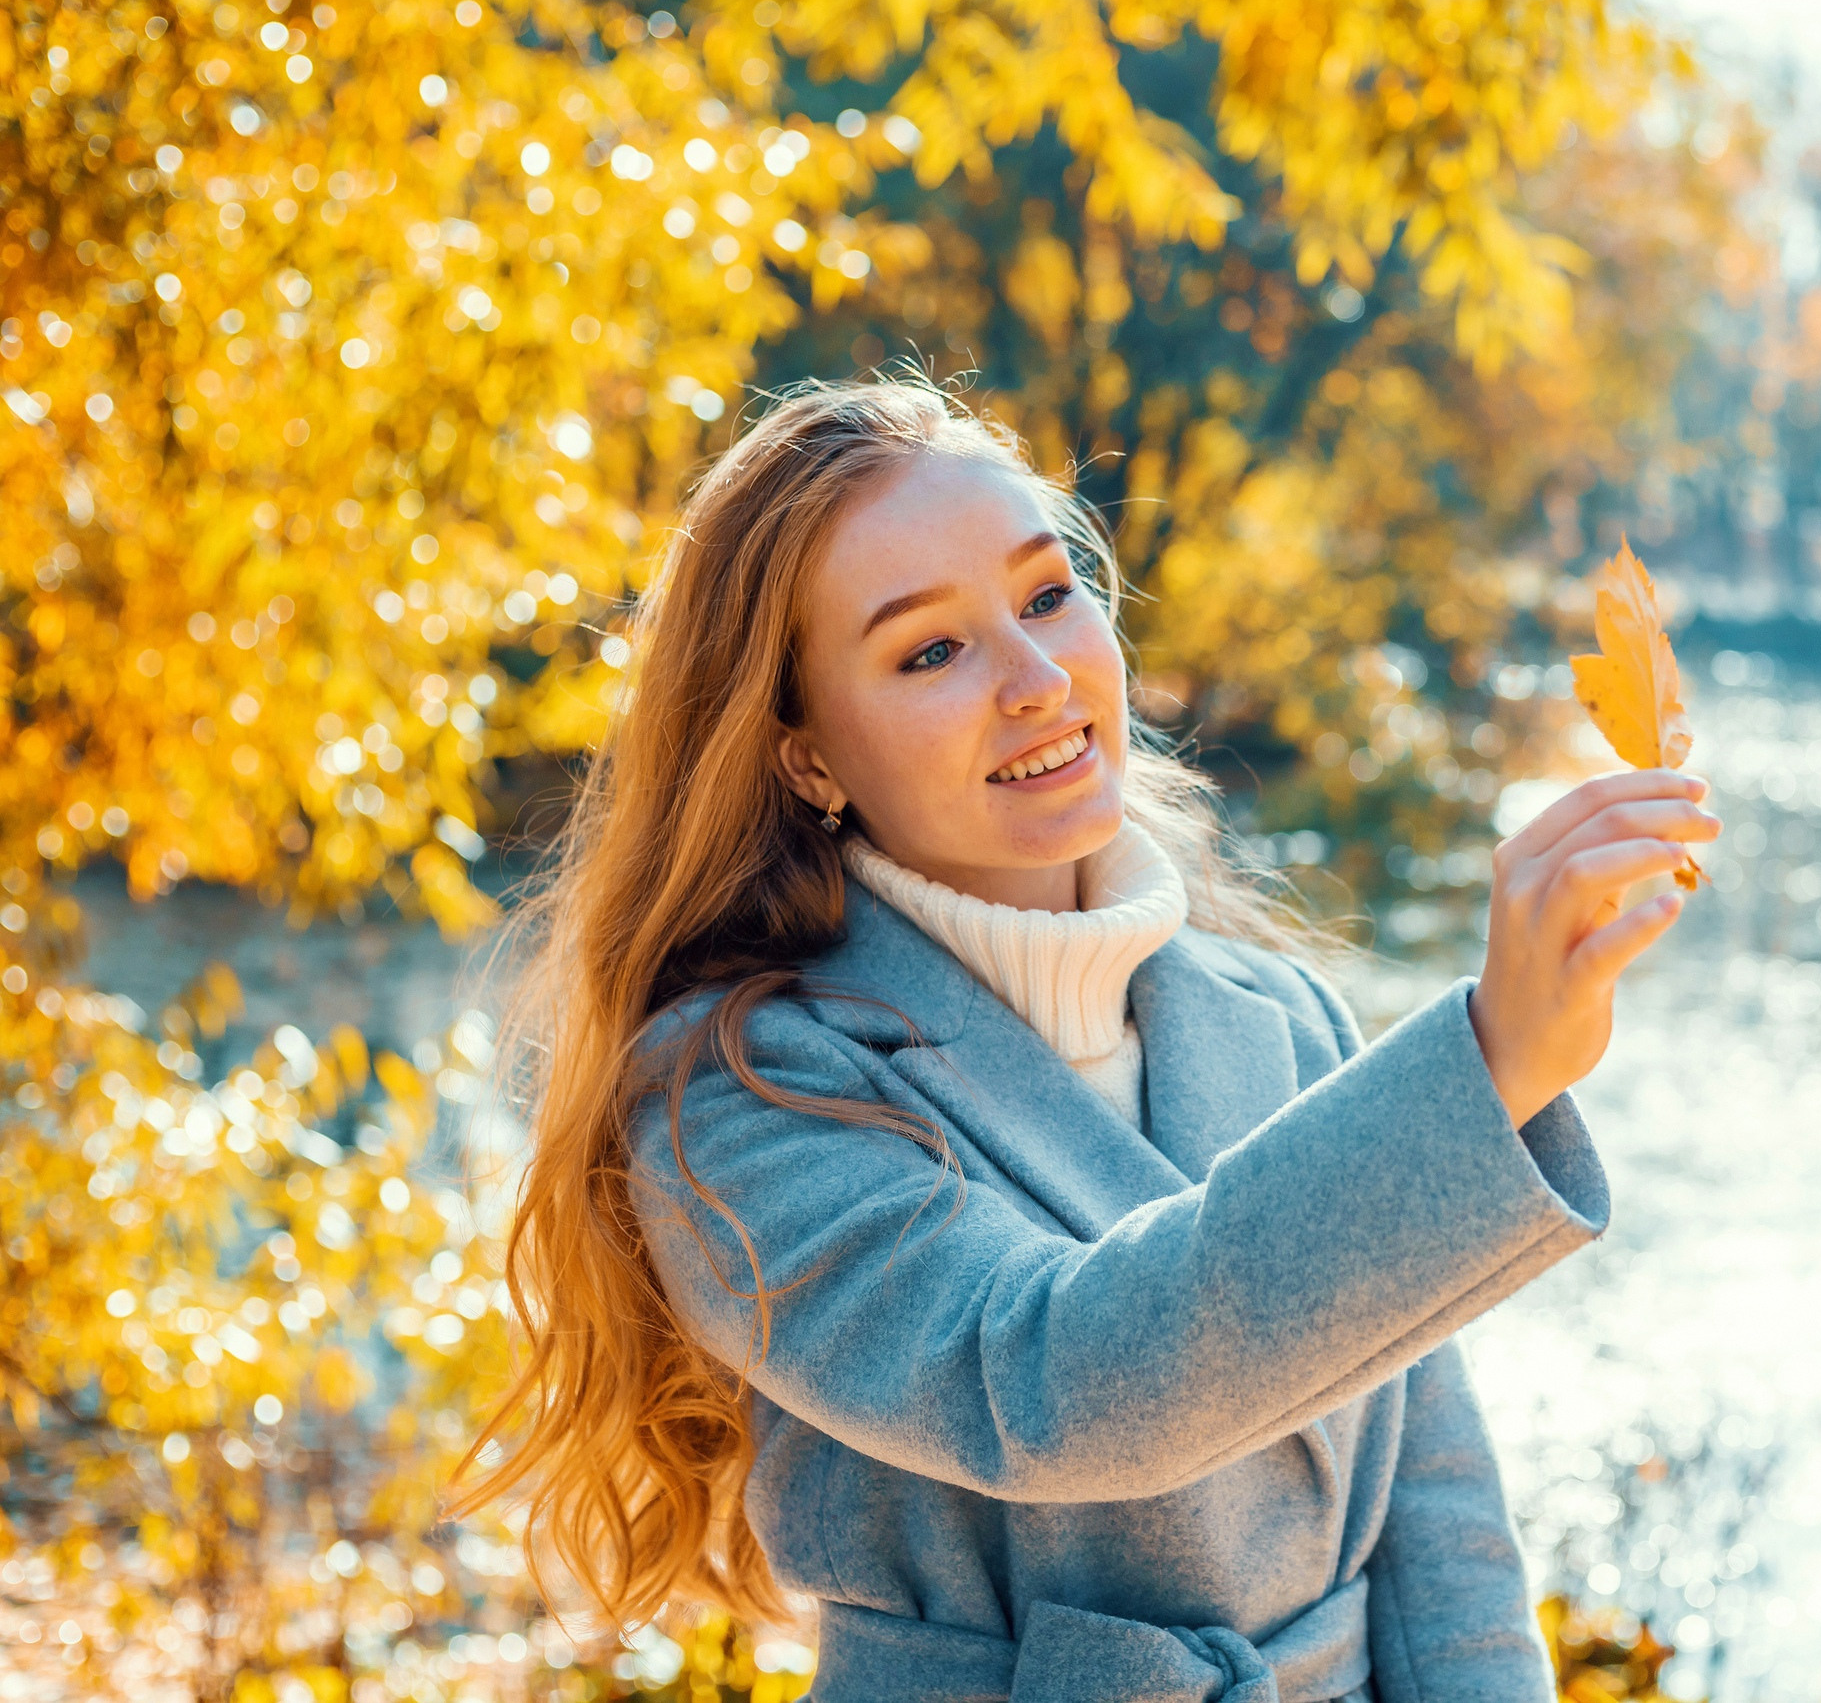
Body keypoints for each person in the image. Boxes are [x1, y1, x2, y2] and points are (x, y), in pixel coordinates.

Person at [457, 378, 1718, 1703]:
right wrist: (1489, 1062)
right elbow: (1053, 1379)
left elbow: (1442, 1529)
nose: (1039, 677)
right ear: (804, 757)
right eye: (929, 651)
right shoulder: (743, 1087)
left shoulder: (1281, 1018)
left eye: (1049, 595)